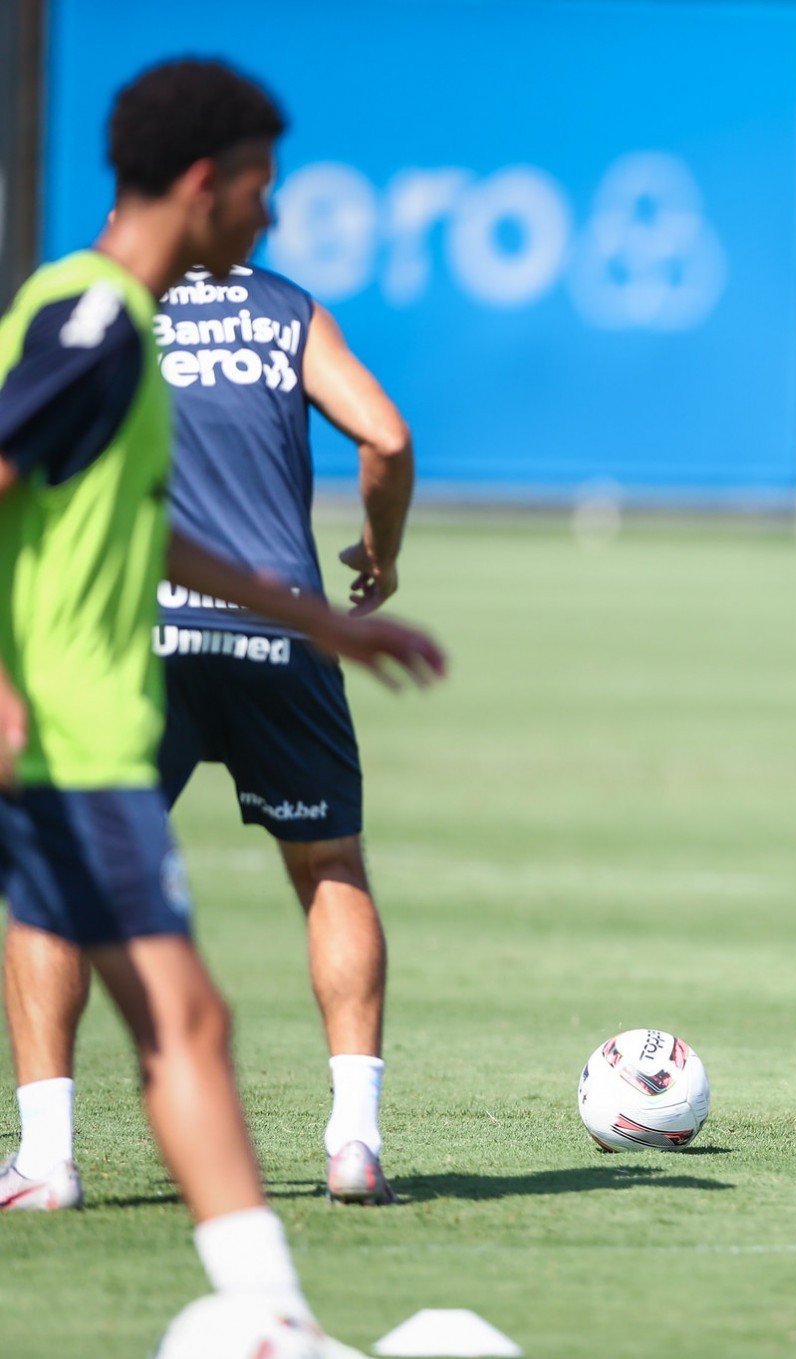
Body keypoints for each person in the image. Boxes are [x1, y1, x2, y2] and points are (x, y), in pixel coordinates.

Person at [0, 57, 440, 1352]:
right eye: (261, 186)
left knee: (186, 1018)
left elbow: (142, 526)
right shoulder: (86, 320)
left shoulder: (125, 327)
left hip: (107, 718)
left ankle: (254, 1299)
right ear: (203, 184)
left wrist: (323, 618)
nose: (272, 214)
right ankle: (265, 1308)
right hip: (67, 738)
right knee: (189, 1012)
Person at [3, 259, 414, 1206]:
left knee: (55, 878)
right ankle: (354, 1141)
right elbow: (385, 436)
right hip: (281, 620)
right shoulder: (285, 308)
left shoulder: (95, 308)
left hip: (136, 632)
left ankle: (46, 1157)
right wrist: (379, 554)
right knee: (329, 867)